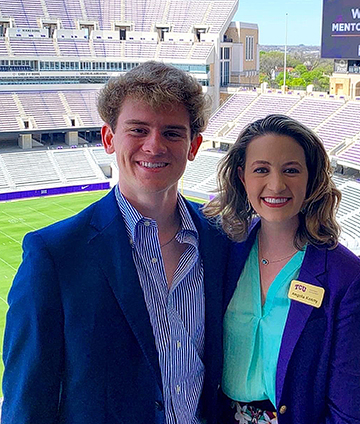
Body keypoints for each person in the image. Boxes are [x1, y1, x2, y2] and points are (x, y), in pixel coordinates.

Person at [1, 61, 231, 423]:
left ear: (194, 145)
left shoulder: (221, 239)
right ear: (109, 138)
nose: (154, 146)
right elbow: (27, 401)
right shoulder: (55, 255)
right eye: (138, 130)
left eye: (172, 133)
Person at [203, 114, 360, 424]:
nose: (276, 184)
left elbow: (347, 413)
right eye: (262, 170)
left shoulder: (349, 281)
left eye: (291, 170)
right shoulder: (223, 253)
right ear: (243, 177)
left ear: (311, 179)